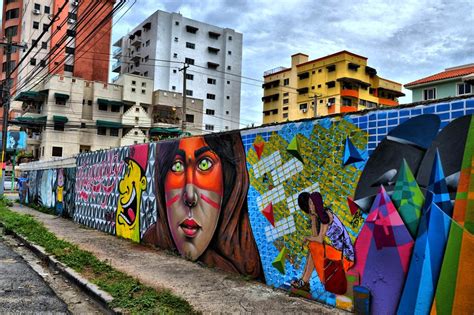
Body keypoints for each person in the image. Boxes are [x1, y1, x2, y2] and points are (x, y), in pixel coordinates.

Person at [143, 132, 264, 280]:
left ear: (228, 180)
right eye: (177, 166)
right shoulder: (150, 242)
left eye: (204, 164)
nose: (189, 196)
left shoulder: (248, 265)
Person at [291, 191, 354, 294]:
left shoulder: (326, 215)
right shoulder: (320, 217)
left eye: (312, 203)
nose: (310, 206)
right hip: (338, 253)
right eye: (309, 203)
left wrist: (307, 238)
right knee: (312, 246)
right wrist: (313, 218)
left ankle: (304, 282)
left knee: (313, 245)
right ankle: (303, 280)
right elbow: (315, 236)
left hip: (346, 258)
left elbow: (319, 239)